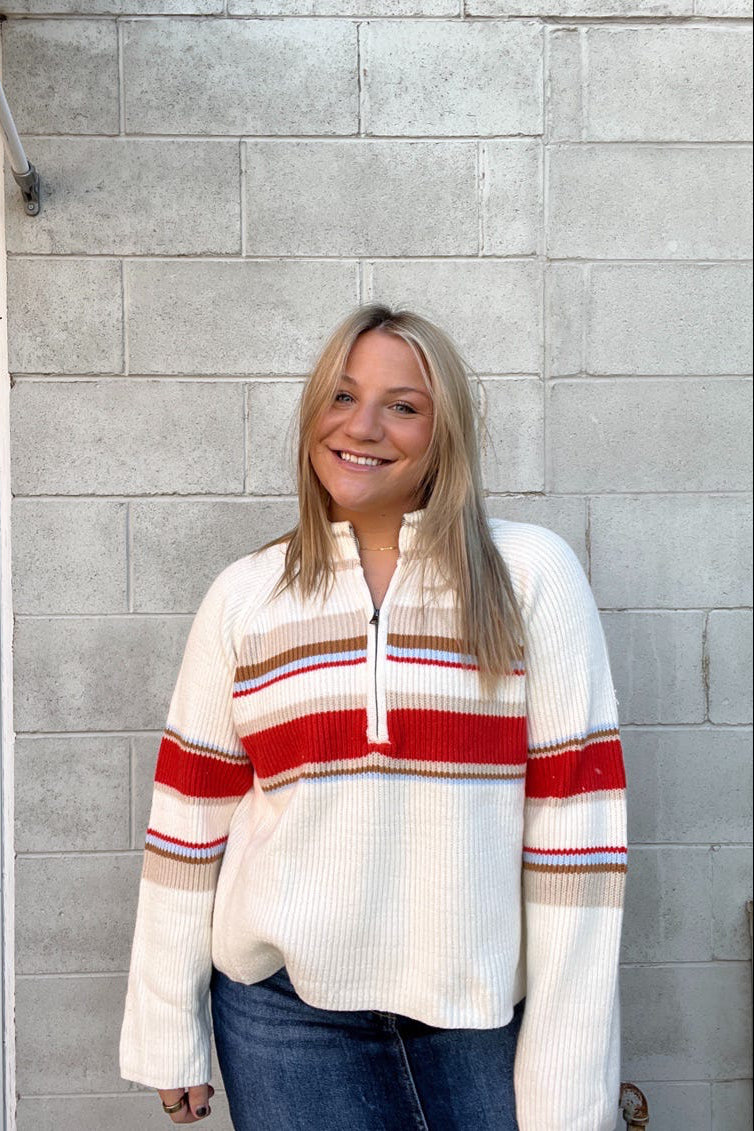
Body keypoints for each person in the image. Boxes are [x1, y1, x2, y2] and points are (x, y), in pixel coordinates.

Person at [120, 303, 627, 1130]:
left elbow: (580, 841)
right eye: (341, 396)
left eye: (403, 404)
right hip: (284, 1019)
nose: (363, 426)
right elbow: (187, 821)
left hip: (479, 1018)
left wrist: (571, 1078)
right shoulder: (247, 595)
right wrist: (165, 1023)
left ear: (444, 431)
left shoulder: (530, 578)